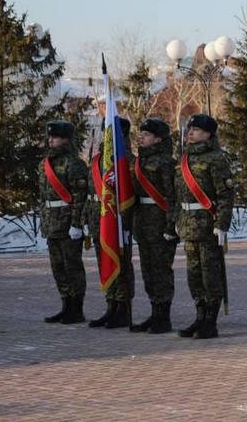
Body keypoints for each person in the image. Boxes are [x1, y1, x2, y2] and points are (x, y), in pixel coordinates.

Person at [174, 114, 234, 340]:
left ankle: (211, 321)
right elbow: (176, 195)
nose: (191, 132)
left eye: (197, 130)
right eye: (190, 129)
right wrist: (176, 221)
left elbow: (226, 195)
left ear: (208, 134)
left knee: (210, 275)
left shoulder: (216, 159)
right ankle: (199, 315)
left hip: (208, 226)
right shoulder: (184, 159)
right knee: (194, 275)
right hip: (189, 225)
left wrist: (221, 224)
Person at [130, 118, 180, 334]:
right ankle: (154, 312)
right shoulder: (139, 162)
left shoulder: (166, 163)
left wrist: (171, 227)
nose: (141, 137)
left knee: (161, 271)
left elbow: (172, 197)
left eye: (147, 135)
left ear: (158, 139)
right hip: (143, 224)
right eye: (141, 134)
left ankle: (164, 317)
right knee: (148, 271)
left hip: (160, 224)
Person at [86, 117, 135, 329]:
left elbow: (131, 194)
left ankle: (123, 308)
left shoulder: (127, 162)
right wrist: (84, 221)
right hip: (100, 218)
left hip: (119, 219)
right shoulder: (97, 161)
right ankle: (111, 305)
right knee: (104, 262)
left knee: (122, 265)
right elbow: (88, 193)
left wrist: (128, 222)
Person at [40, 121, 88, 325]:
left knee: (72, 267)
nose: (51, 139)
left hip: (68, 221)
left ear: (66, 139)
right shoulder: (45, 164)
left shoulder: (74, 163)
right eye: (50, 136)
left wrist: (76, 223)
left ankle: (76, 308)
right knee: (58, 267)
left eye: (56, 137)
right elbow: (43, 196)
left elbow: (79, 196)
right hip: (52, 222)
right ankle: (65, 304)